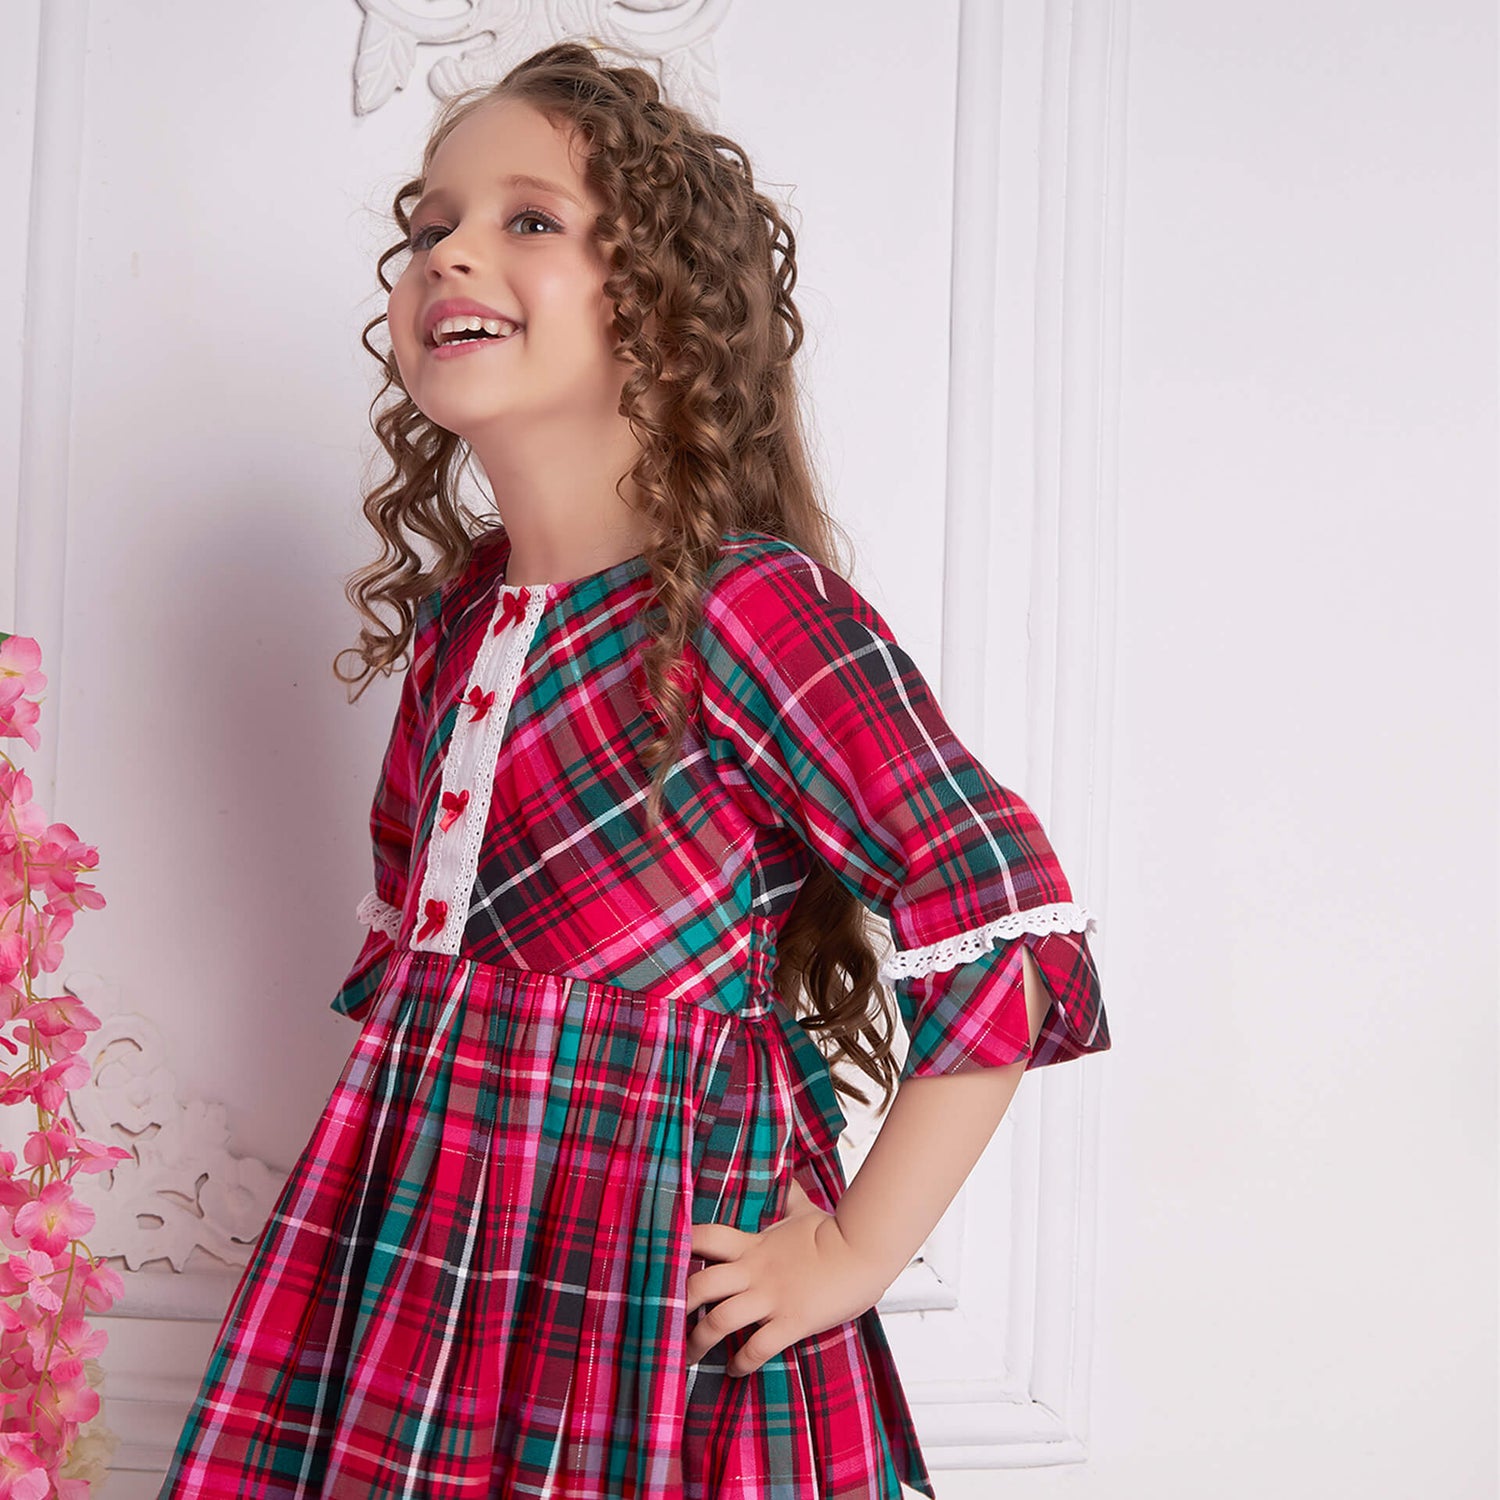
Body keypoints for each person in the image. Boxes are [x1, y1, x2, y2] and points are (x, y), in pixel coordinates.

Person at [156, 39, 1110, 1500]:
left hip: (644, 1281)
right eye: (429, 225)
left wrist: (852, 1253)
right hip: (426, 1258)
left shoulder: (749, 610)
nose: (449, 251)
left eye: (525, 219)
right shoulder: (464, 619)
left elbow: (1010, 926)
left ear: (659, 313)